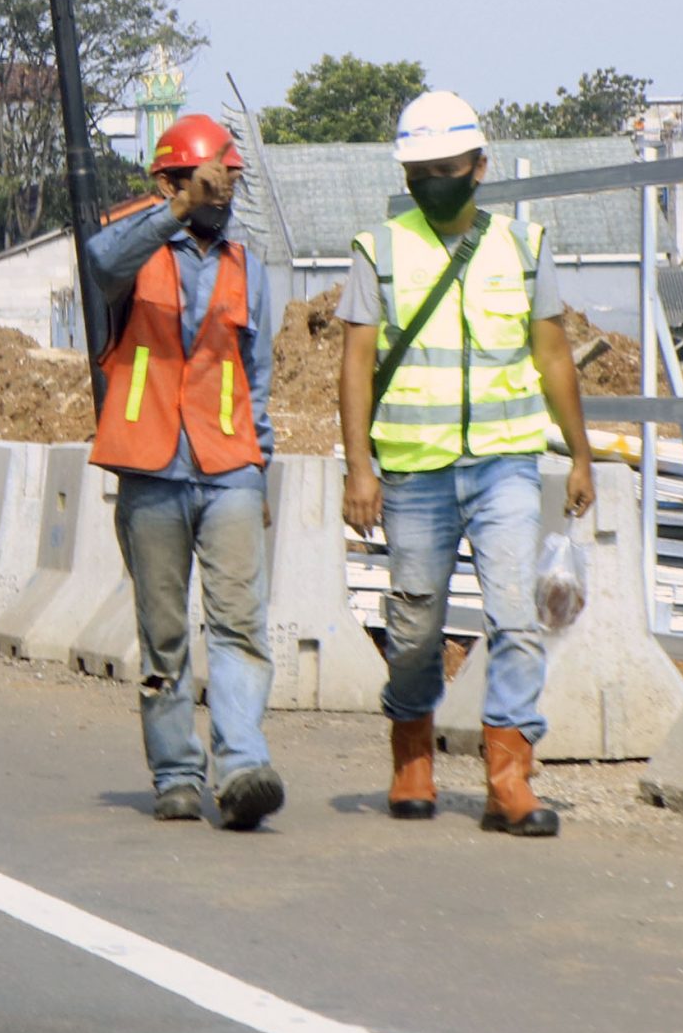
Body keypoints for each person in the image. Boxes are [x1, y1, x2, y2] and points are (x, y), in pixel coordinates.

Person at [337, 90, 596, 838]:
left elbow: (552, 353)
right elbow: (354, 362)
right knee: (415, 622)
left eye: (444, 167)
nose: (431, 180)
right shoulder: (378, 248)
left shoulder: (523, 245)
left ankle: (508, 777)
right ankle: (411, 753)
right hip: (414, 468)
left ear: (479, 167)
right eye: (418, 169)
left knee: (514, 616)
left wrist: (579, 453)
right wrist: (361, 467)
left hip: (505, 461)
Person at [85, 113, 284, 830]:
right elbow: (99, 262)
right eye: (207, 181)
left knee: (239, 625)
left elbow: (255, 377)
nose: (220, 193)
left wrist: (259, 465)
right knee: (163, 633)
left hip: (229, 467)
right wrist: (173, 211)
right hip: (150, 469)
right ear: (172, 181)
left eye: (225, 181)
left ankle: (241, 766)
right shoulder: (133, 257)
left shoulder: (247, 269)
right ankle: (175, 769)